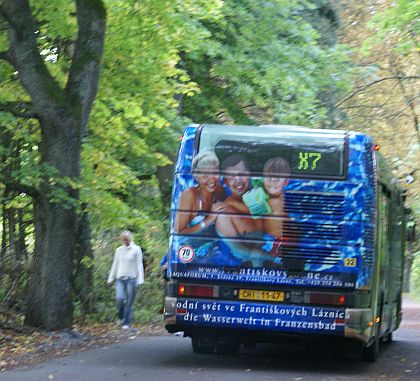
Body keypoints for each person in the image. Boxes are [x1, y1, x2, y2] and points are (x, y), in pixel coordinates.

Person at [215, 155, 272, 266]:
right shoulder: (224, 214)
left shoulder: (258, 197)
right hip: (243, 270)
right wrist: (273, 258)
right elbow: (240, 251)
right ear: (225, 181)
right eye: (231, 177)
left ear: (249, 174)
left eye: (242, 174)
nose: (238, 180)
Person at [174, 150, 227, 235]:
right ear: (196, 177)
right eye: (205, 175)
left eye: (215, 173)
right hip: (191, 246)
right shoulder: (189, 195)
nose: (212, 180)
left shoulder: (219, 191)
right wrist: (209, 219)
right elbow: (178, 232)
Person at [107, 230, 144, 329]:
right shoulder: (119, 250)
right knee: (119, 299)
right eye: (124, 239)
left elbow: (139, 264)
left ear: (130, 238)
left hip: (132, 279)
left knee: (129, 302)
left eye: (127, 239)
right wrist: (110, 278)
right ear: (122, 240)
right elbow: (115, 264)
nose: (126, 241)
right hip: (120, 279)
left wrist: (140, 280)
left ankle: (126, 323)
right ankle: (121, 317)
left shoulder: (137, 249)